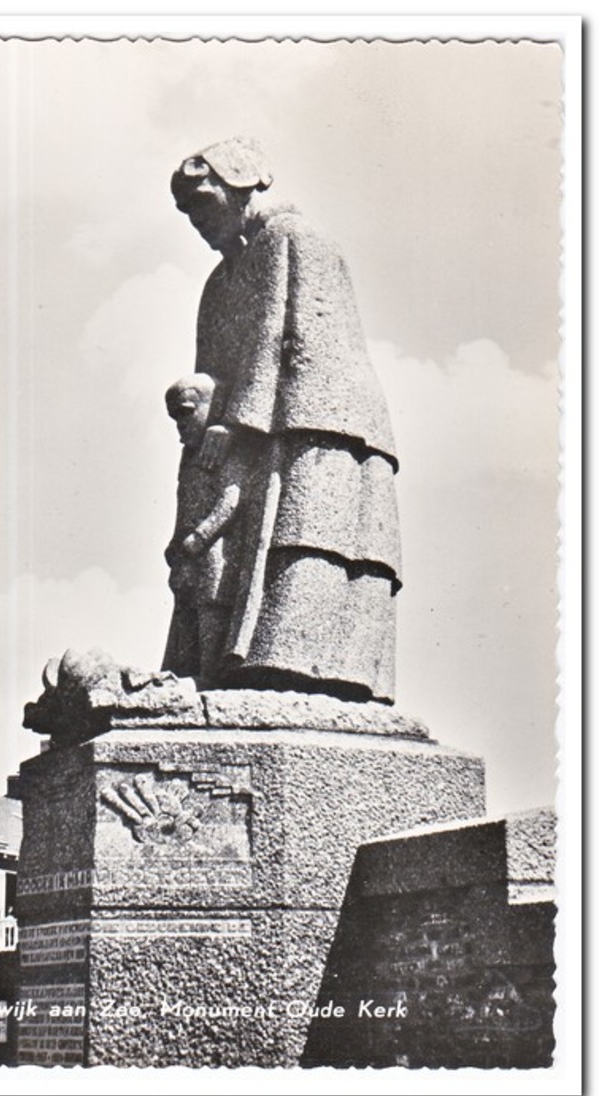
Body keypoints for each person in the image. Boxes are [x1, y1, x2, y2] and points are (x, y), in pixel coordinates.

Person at [168, 136, 401, 703]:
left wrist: (237, 423)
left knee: (305, 535)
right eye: (189, 210)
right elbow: (212, 370)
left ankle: (293, 663)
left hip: (315, 423)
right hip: (254, 428)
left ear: (240, 185)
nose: (197, 221)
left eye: (204, 202)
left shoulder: (292, 240)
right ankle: (226, 661)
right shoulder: (220, 282)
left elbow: (284, 337)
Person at [162, 373, 247, 688]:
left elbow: (232, 499)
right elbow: (184, 506)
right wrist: (176, 545)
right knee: (187, 606)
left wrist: (200, 536)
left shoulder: (223, 454)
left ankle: (210, 672)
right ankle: (191, 668)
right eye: (176, 418)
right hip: (186, 552)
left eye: (186, 413)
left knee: (210, 603)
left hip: (211, 550)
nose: (181, 425)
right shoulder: (189, 461)